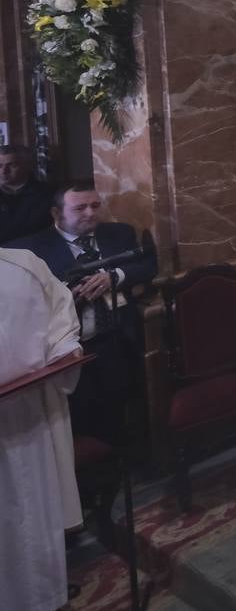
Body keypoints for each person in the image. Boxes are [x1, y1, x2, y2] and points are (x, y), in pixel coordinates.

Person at [5, 183, 157, 446]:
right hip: (74, 348)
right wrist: (65, 296)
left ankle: (132, 463)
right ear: (57, 213)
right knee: (85, 419)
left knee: (127, 408)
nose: (90, 213)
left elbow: (148, 264)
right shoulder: (31, 251)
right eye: (80, 208)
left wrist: (115, 277)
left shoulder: (119, 234)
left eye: (95, 205)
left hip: (119, 338)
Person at [0, 248, 83, 611]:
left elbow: (60, 313)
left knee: (34, 517)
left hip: (28, 416)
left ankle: (48, 600)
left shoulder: (23, 264)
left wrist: (66, 348)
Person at [0, 144, 52, 244]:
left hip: (35, 252)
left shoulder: (47, 193)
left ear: (27, 166)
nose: (3, 171)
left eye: (12, 165)